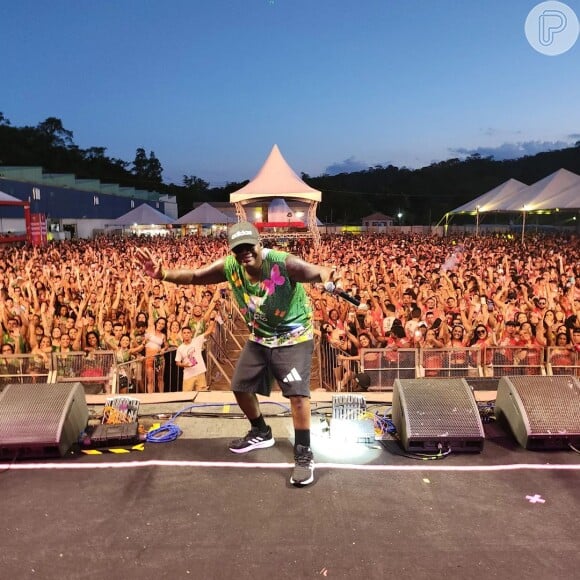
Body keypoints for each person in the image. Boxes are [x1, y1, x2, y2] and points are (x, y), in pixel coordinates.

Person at [136, 221, 336, 487]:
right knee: (240, 386)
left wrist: (328, 276)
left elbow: (316, 271)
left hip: (293, 336)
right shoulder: (230, 267)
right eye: (238, 249)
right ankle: (261, 431)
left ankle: (303, 453)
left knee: (298, 395)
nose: (244, 253)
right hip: (260, 336)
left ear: (259, 244)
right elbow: (196, 276)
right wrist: (162, 274)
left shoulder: (281, 262)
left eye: (248, 246)